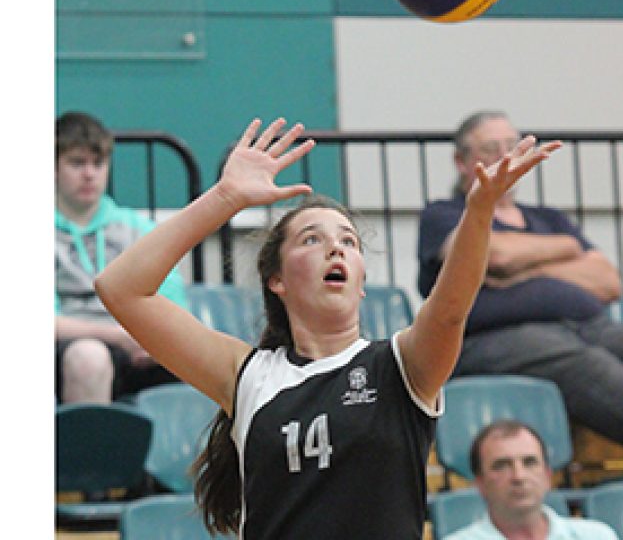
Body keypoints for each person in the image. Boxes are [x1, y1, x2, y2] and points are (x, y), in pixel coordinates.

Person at [94, 116, 561, 539]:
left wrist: (478, 213)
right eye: (312, 239)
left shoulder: (399, 367)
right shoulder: (248, 375)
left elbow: (451, 308)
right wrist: (225, 198)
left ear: (361, 282)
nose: (335, 250)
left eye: (348, 242)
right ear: (276, 280)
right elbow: (121, 288)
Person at [418, 111, 623, 461]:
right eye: (490, 147)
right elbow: (496, 255)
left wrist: (528, 267)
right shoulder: (446, 214)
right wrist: (565, 252)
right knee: (590, 365)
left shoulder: (548, 217)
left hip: (590, 326)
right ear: (462, 162)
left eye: (511, 145)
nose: (506, 155)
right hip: (498, 338)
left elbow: (609, 282)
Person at [55, 111, 187, 403]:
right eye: (77, 163)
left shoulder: (137, 229)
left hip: (136, 347)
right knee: (88, 357)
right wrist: (117, 336)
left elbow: (172, 305)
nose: (89, 174)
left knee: (202, 355)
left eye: (98, 163)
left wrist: (151, 339)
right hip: (68, 351)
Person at [444, 419, 619, 540]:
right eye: (502, 465)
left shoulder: (597, 536)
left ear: (547, 475)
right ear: (479, 483)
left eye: (530, 462)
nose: (519, 476)